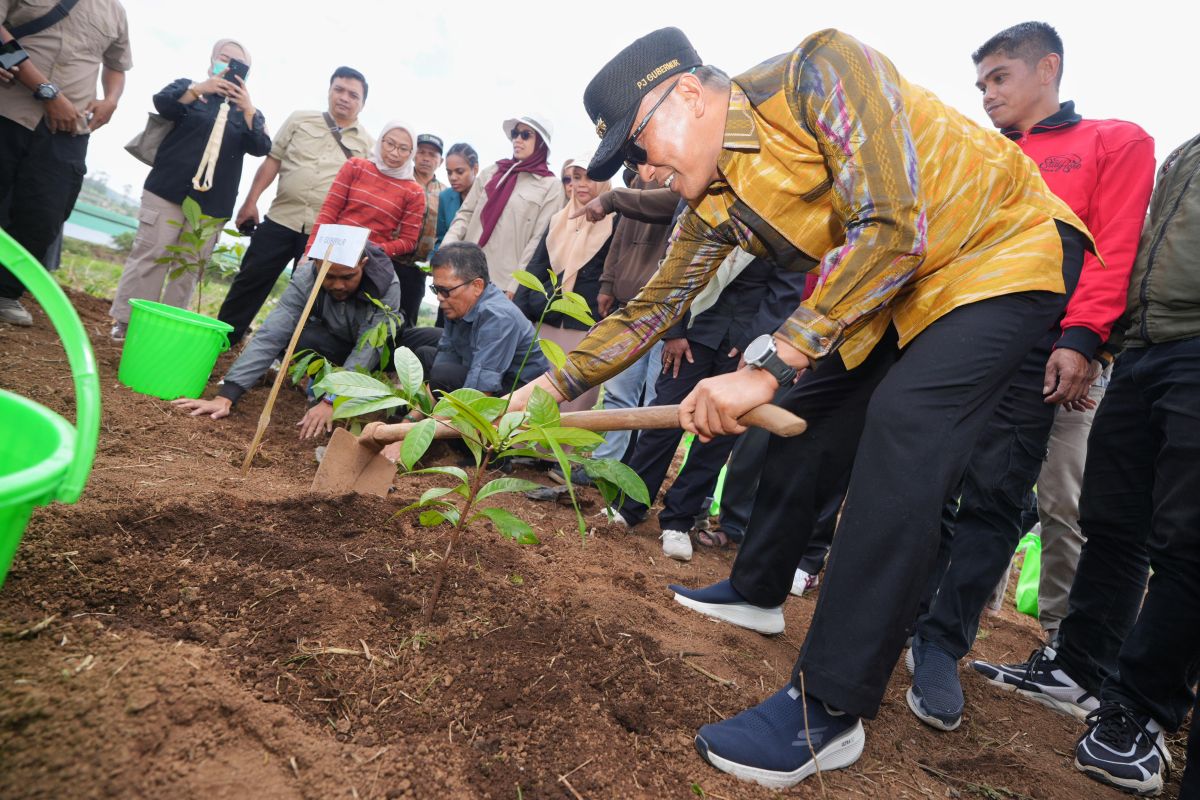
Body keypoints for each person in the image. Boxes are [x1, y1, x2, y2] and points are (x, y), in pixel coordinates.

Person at [508, 27, 1090, 789]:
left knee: (904, 429)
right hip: (903, 284)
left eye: (642, 141)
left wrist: (771, 363)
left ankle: (830, 710)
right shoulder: (716, 193)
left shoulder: (820, 69)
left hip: (1002, 248)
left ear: (689, 94)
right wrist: (552, 385)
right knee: (813, 421)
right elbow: (653, 309)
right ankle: (757, 593)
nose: (645, 167)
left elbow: (891, 225)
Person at [905, 22, 1154, 733]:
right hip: (954, 339)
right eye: (980, 84)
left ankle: (940, 644)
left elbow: (1115, 244)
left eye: (999, 78)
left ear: (1048, 68)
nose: (986, 95)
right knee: (924, 482)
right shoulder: (983, 150)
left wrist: (1082, 337)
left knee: (994, 496)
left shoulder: (1113, 141)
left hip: (1040, 346)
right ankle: (896, 614)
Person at [972, 132, 1200, 797]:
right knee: (1111, 518)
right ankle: (1078, 669)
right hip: (1143, 349)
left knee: (1187, 537)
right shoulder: (1187, 151)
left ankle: (1143, 711)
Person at [605, 249, 807, 563]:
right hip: (693, 334)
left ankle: (678, 519)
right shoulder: (710, 206)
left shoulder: (795, 231)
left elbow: (784, 293)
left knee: (718, 433)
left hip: (743, 347)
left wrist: (755, 346)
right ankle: (629, 505)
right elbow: (677, 266)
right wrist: (674, 331)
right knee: (664, 420)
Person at [108, 40, 269, 338]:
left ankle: (164, 330)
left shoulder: (248, 112)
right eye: (224, 58)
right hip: (167, 190)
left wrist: (247, 108)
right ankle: (126, 323)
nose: (229, 65)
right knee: (151, 255)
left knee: (188, 268)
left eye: (239, 64)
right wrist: (200, 88)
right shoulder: (190, 89)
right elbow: (163, 104)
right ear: (212, 60)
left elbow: (261, 146)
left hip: (212, 204)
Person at [172, 244, 409, 438]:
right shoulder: (307, 276)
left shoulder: (386, 284)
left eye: (347, 277)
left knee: (420, 344)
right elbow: (273, 333)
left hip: (382, 352)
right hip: (333, 343)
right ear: (316, 264)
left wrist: (331, 400)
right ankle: (316, 390)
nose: (338, 285)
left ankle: (371, 398)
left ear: (363, 264)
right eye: (329, 276)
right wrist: (226, 396)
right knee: (304, 337)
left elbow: (368, 348)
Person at [216, 66, 372, 347]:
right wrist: (251, 201)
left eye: (353, 95)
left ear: (362, 103)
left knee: (310, 300)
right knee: (249, 283)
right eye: (339, 89)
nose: (344, 98)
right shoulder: (300, 120)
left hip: (324, 236)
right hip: (280, 219)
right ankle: (222, 341)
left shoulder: (368, 145)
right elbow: (273, 161)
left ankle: (285, 358)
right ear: (329, 90)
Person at [0, 0, 131, 326]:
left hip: (66, 128)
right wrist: (46, 92)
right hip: (8, 107)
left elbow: (117, 65)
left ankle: (5, 293)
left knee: (45, 213)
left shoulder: (115, 12)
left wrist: (110, 101)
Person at [572, 178, 678, 465]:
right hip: (629, 303)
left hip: (663, 310)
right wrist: (608, 285)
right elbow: (618, 241)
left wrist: (613, 198)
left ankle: (637, 473)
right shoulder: (635, 184)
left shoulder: (679, 188)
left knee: (654, 402)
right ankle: (604, 467)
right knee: (619, 393)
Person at [513, 154, 613, 413]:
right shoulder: (559, 220)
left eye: (590, 177)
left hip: (586, 326)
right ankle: (519, 452)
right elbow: (536, 267)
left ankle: (556, 456)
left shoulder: (617, 221)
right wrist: (521, 316)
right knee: (533, 393)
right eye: (576, 177)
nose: (581, 184)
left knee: (572, 399)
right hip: (546, 319)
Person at [441, 114, 564, 294]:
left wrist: (516, 286)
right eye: (515, 133)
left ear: (541, 142)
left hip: (501, 284)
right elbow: (465, 214)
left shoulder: (551, 187)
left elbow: (536, 241)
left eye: (526, 135)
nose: (517, 140)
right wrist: (445, 252)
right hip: (463, 273)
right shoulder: (492, 172)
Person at [304, 121, 425, 282]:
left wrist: (372, 249)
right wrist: (310, 251)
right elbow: (329, 211)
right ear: (381, 140)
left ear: (411, 153)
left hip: (369, 264)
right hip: (330, 253)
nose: (395, 153)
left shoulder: (414, 192)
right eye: (390, 144)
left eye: (403, 149)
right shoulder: (355, 167)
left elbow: (409, 241)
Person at [424, 242, 549, 395]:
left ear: (477, 285)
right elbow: (446, 356)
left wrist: (437, 419)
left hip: (519, 397)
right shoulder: (455, 306)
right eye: (436, 289)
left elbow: (482, 389)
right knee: (426, 356)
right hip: (483, 375)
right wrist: (410, 417)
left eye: (445, 290)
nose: (439, 297)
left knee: (444, 375)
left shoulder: (498, 317)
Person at [389, 133, 444, 325]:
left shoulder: (445, 193)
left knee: (406, 320)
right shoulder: (399, 179)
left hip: (418, 269)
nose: (426, 158)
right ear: (413, 155)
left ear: (441, 161)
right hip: (389, 260)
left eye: (432, 155)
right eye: (421, 152)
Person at [435, 142, 479, 249]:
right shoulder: (444, 197)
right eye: (449, 172)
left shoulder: (487, 197)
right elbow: (441, 238)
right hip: (449, 260)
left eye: (459, 172)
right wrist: (432, 261)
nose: (453, 177)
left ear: (475, 169)